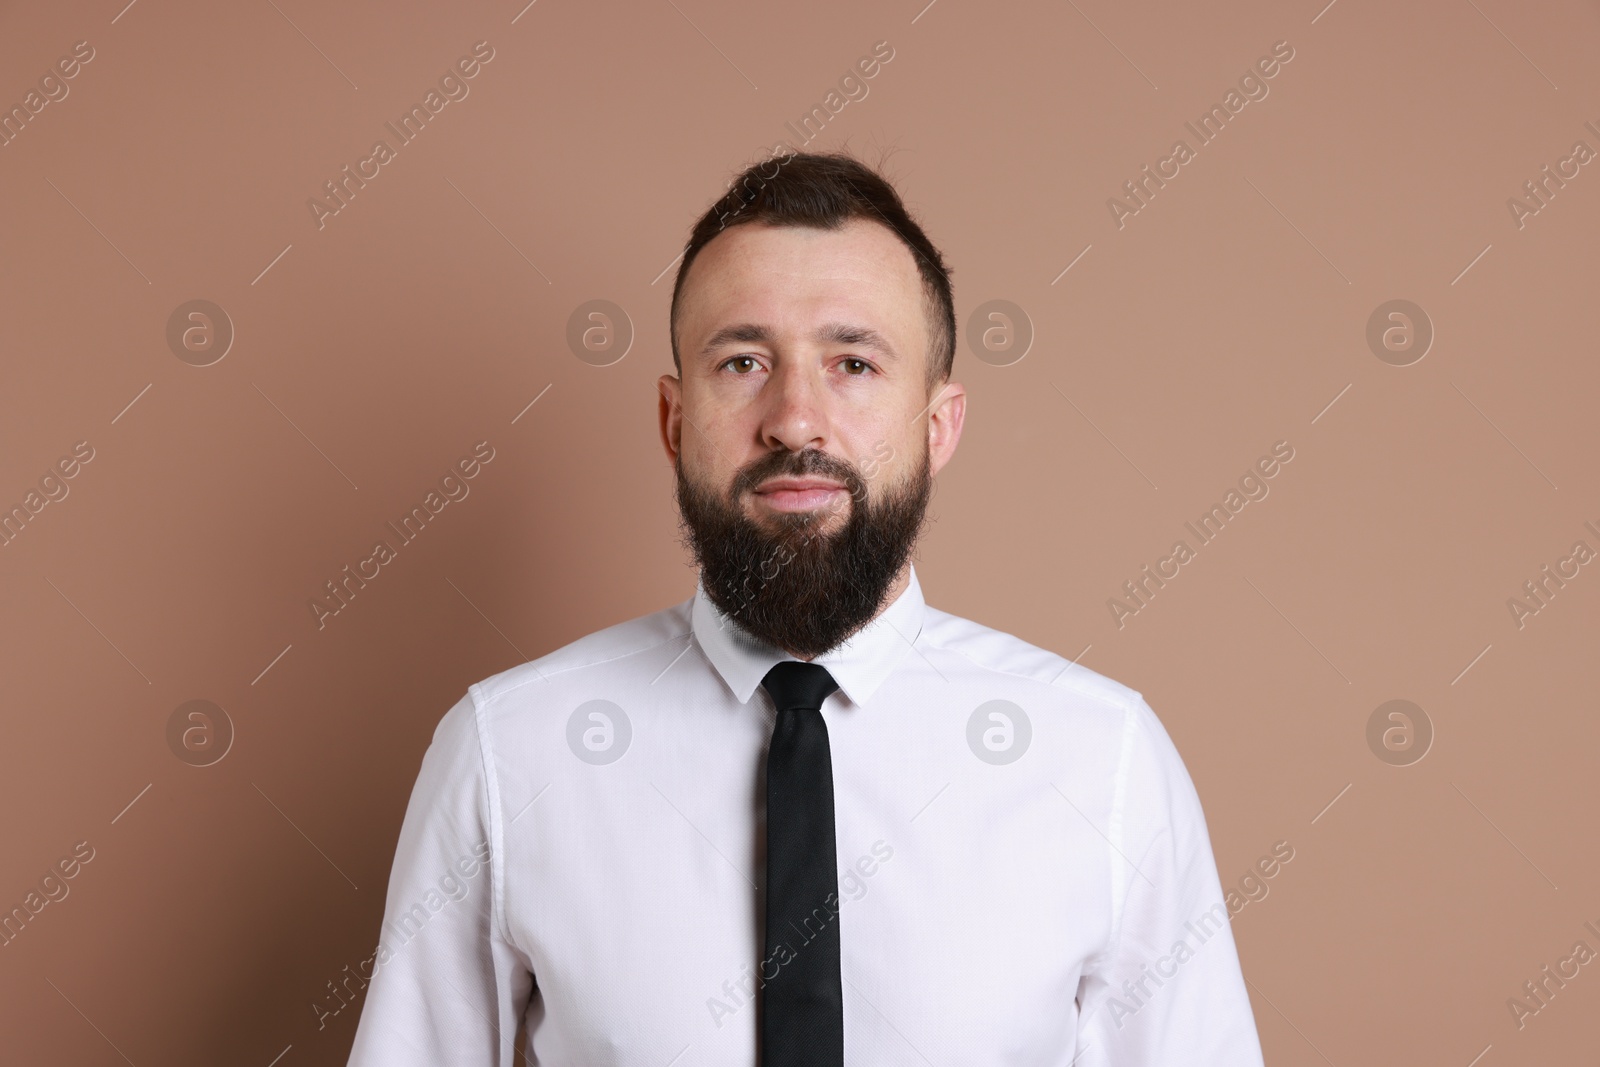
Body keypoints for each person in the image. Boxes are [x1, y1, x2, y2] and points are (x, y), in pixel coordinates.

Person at [346, 149, 1265, 1066]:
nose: (794, 418)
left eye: (854, 363)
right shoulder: (510, 754)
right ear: (673, 421)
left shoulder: (1101, 761)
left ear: (938, 424)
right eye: (743, 361)